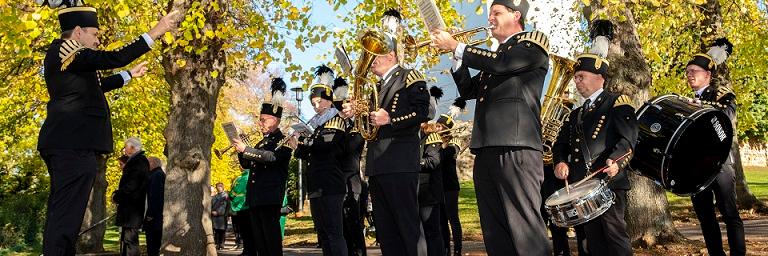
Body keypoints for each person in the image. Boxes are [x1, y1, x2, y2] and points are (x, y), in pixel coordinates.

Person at [36, 2, 178, 254]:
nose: (98, 40)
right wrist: (155, 31)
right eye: (95, 34)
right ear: (78, 31)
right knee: (66, 215)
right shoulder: (67, 49)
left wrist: (129, 76)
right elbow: (114, 57)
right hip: (73, 145)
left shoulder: (73, 60)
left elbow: (95, 88)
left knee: (66, 213)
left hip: (71, 144)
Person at [430, 0, 551, 254]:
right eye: (490, 14)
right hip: (486, 148)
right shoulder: (498, 55)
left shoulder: (531, 43)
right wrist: (457, 58)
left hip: (516, 147)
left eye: (497, 13)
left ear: (516, 15)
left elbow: (502, 64)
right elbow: (469, 90)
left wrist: (458, 45)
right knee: (495, 229)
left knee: (524, 228)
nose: (490, 19)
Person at [341, 9, 430, 256]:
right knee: (387, 232)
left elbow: (424, 112)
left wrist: (390, 119)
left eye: (376, 55)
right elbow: (369, 122)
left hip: (400, 161)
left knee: (408, 228)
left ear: (390, 55)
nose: (371, 60)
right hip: (377, 164)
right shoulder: (374, 86)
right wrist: (355, 111)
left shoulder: (409, 76)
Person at [552, 20, 637, 256]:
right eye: (575, 78)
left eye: (581, 76)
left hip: (607, 181)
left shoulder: (617, 103)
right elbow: (560, 144)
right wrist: (560, 161)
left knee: (615, 238)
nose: (576, 82)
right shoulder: (576, 113)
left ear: (599, 76)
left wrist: (616, 162)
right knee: (590, 242)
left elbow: (628, 140)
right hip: (581, 186)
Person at [685, 37, 745, 256]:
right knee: (705, 217)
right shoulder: (686, 100)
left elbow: (727, 117)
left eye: (694, 71)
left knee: (730, 214)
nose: (690, 74)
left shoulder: (722, 95)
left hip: (720, 165)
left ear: (708, 75)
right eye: (688, 71)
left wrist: (702, 105)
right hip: (696, 169)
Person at [233, 73, 292, 256]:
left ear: (275, 120)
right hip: (256, 197)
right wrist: (240, 150)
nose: (260, 123)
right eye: (260, 119)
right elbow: (248, 165)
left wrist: (247, 150)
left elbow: (271, 157)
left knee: (271, 241)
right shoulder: (261, 142)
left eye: (263, 120)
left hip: (269, 196)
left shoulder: (284, 140)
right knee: (260, 242)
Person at [293, 65, 350, 256]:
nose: (316, 106)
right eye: (313, 103)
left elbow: (327, 146)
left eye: (319, 102)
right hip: (316, 184)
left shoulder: (335, 120)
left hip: (331, 183)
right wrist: (297, 144)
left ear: (328, 101)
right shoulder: (316, 125)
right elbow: (303, 154)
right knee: (323, 233)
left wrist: (306, 141)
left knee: (334, 233)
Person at [333, 77, 367, 256]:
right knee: (341, 230)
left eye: (346, 106)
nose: (342, 110)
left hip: (351, 183)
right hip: (336, 183)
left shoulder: (357, 127)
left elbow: (350, 148)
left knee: (354, 228)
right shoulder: (339, 126)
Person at [436, 98, 465, 256]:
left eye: (439, 126)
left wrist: (437, 149)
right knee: (441, 219)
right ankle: (445, 248)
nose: (437, 127)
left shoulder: (454, 141)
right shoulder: (435, 142)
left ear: (446, 128)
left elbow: (449, 154)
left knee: (453, 218)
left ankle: (458, 248)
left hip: (450, 186)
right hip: (437, 185)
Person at [113, 137, 150, 256]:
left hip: (132, 209)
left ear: (133, 148)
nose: (124, 150)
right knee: (126, 240)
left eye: (126, 147)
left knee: (130, 241)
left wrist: (117, 196)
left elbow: (132, 185)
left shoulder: (139, 162)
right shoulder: (137, 161)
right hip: (129, 209)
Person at [418, 121, 444, 256]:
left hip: (428, 192)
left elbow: (433, 161)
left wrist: (413, 161)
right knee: (419, 233)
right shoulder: (417, 138)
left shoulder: (432, 138)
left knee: (432, 232)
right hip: (417, 192)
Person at [144, 156, 165, 256]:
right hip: (156, 218)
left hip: (155, 219)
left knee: (153, 246)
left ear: (152, 163)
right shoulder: (157, 174)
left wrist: (150, 214)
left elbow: (155, 196)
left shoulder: (157, 175)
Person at [230, 167, 253, 255]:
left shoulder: (238, 179)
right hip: (251, 207)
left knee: (244, 231)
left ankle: (247, 251)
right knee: (252, 231)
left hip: (239, 208)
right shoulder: (254, 177)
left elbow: (232, 193)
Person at [212, 182, 229, 250]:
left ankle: (221, 244)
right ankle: (217, 244)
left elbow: (224, 206)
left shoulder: (225, 196)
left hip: (222, 215)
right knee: (216, 231)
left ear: (222, 187)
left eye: (220, 186)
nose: (218, 188)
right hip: (214, 216)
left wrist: (218, 212)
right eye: (217, 186)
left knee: (222, 231)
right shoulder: (215, 196)